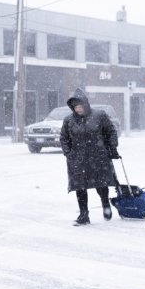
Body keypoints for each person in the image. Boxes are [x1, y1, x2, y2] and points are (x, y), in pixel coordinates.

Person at [60, 88, 120, 226]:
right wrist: (68, 153)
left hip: (98, 157)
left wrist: (112, 148)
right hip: (77, 159)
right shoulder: (69, 120)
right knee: (80, 187)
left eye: (80, 106)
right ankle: (84, 215)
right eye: (75, 107)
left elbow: (111, 132)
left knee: (101, 183)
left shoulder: (100, 115)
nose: (78, 109)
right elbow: (64, 138)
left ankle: (105, 205)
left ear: (86, 105)